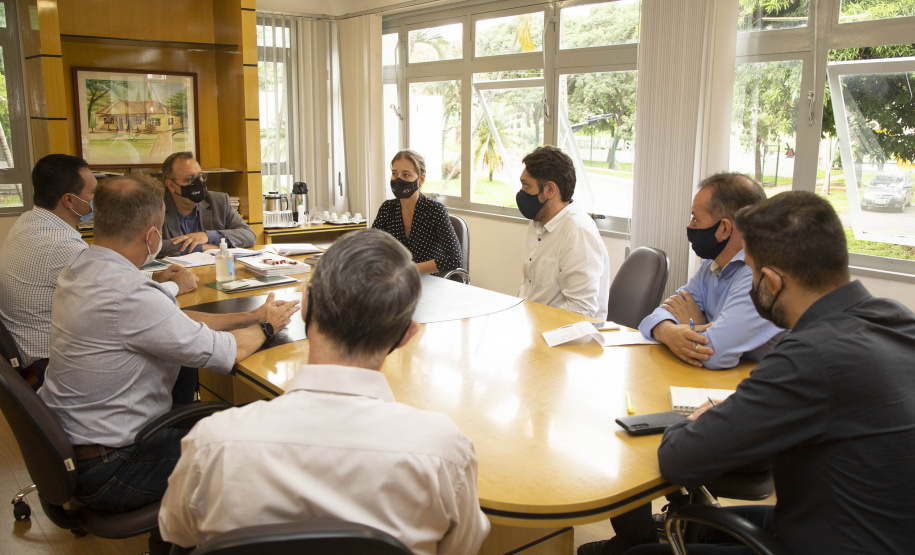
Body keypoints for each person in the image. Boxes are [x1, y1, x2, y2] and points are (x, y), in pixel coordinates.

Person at [159, 229, 490, 555]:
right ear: (406, 335)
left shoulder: (213, 441)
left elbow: (178, 531)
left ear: (305, 305)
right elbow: (460, 547)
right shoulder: (444, 453)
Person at [623, 191, 915, 554]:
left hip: (835, 539)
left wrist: (699, 417)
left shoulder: (809, 357)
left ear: (772, 283)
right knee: (700, 530)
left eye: (752, 273)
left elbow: (678, 459)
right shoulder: (897, 318)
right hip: (865, 522)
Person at [38, 173, 299, 554]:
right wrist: (266, 325)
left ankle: (176, 537)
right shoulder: (128, 293)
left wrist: (248, 317)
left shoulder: (83, 268)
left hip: (77, 447)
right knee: (258, 444)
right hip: (114, 468)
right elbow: (226, 353)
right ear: (150, 237)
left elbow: (169, 324)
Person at [0, 155, 195, 387]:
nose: (99, 200)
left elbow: (101, 276)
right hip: (50, 364)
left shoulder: (29, 223)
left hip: (28, 350)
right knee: (179, 355)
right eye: (93, 193)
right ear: (69, 200)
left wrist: (152, 276)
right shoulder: (62, 244)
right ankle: (172, 422)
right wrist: (175, 286)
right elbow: (123, 297)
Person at [638, 172, 783, 370]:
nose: (690, 226)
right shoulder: (712, 264)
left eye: (696, 220)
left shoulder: (760, 275)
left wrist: (698, 323)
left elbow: (713, 353)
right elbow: (653, 319)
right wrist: (668, 332)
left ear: (724, 228)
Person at [517, 145, 610, 319]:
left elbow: (582, 309)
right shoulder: (538, 221)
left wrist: (534, 327)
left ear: (550, 190)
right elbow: (528, 287)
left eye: (526, 185)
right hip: (533, 326)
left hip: (566, 336)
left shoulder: (577, 231)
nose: (521, 192)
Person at [372, 149, 463, 276]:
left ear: (421, 179)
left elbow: (454, 258)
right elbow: (370, 248)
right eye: (394, 173)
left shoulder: (435, 210)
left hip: (429, 282)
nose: (398, 180)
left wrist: (409, 269)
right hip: (395, 282)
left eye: (406, 175)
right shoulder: (387, 208)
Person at [159, 151, 255, 256]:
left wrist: (207, 236)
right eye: (190, 179)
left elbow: (248, 235)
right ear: (171, 185)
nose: (198, 183)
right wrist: (200, 247)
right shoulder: (156, 206)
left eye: (200, 176)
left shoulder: (219, 201)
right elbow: (149, 246)